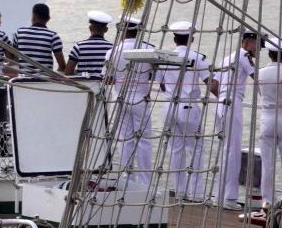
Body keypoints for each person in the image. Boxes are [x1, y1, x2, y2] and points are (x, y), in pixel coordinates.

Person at [159, 21, 217, 201]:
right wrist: (225, 97)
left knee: (176, 150)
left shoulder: (165, 57)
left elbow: (162, 85)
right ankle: (197, 194)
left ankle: (180, 191)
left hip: (168, 106)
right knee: (196, 149)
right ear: (191, 38)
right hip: (188, 107)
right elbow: (211, 84)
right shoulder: (197, 57)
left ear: (174, 39)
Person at [105, 16, 154, 190]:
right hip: (141, 98)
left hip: (120, 98)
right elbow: (157, 77)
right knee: (143, 141)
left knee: (124, 140)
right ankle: (145, 183)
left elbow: (108, 79)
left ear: (123, 29)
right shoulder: (149, 49)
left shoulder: (112, 51)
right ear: (138, 30)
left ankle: (127, 179)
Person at [215, 29, 258, 208]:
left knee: (224, 149)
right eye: (256, 45)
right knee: (233, 150)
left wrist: (223, 97)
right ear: (247, 43)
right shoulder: (244, 56)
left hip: (221, 103)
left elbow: (214, 84)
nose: (257, 50)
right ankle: (229, 198)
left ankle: (218, 195)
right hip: (233, 103)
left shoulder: (226, 58)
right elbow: (258, 78)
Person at [258, 37, 282, 206]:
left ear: (269, 54)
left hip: (267, 118)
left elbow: (261, 93)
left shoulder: (260, 72)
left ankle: (267, 200)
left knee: (267, 164)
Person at [13, 3, 67, 73]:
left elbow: (14, 58)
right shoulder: (53, 36)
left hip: (23, 77)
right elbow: (62, 66)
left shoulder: (20, 32)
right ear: (48, 18)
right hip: (45, 78)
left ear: (33, 16)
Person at [66, 11, 113, 77]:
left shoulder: (79, 46)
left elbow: (68, 72)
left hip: (83, 83)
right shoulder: (112, 48)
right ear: (106, 30)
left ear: (90, 28)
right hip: (103, 82)